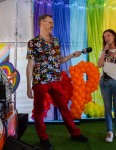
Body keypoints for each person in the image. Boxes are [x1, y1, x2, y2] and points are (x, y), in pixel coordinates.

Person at [26, 14, 88, 150]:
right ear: (42, 23)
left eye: (52, 23)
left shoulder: (55, 41)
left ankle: (75, 134)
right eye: (49, 23)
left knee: (64, 107)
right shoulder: (33, 42)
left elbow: (58, 60)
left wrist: (72, 55)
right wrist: (28, 86)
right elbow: (30, 64)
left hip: (55, 80)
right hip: (40, 81)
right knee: (39, 110)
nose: (52, 25)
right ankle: (43, 139)